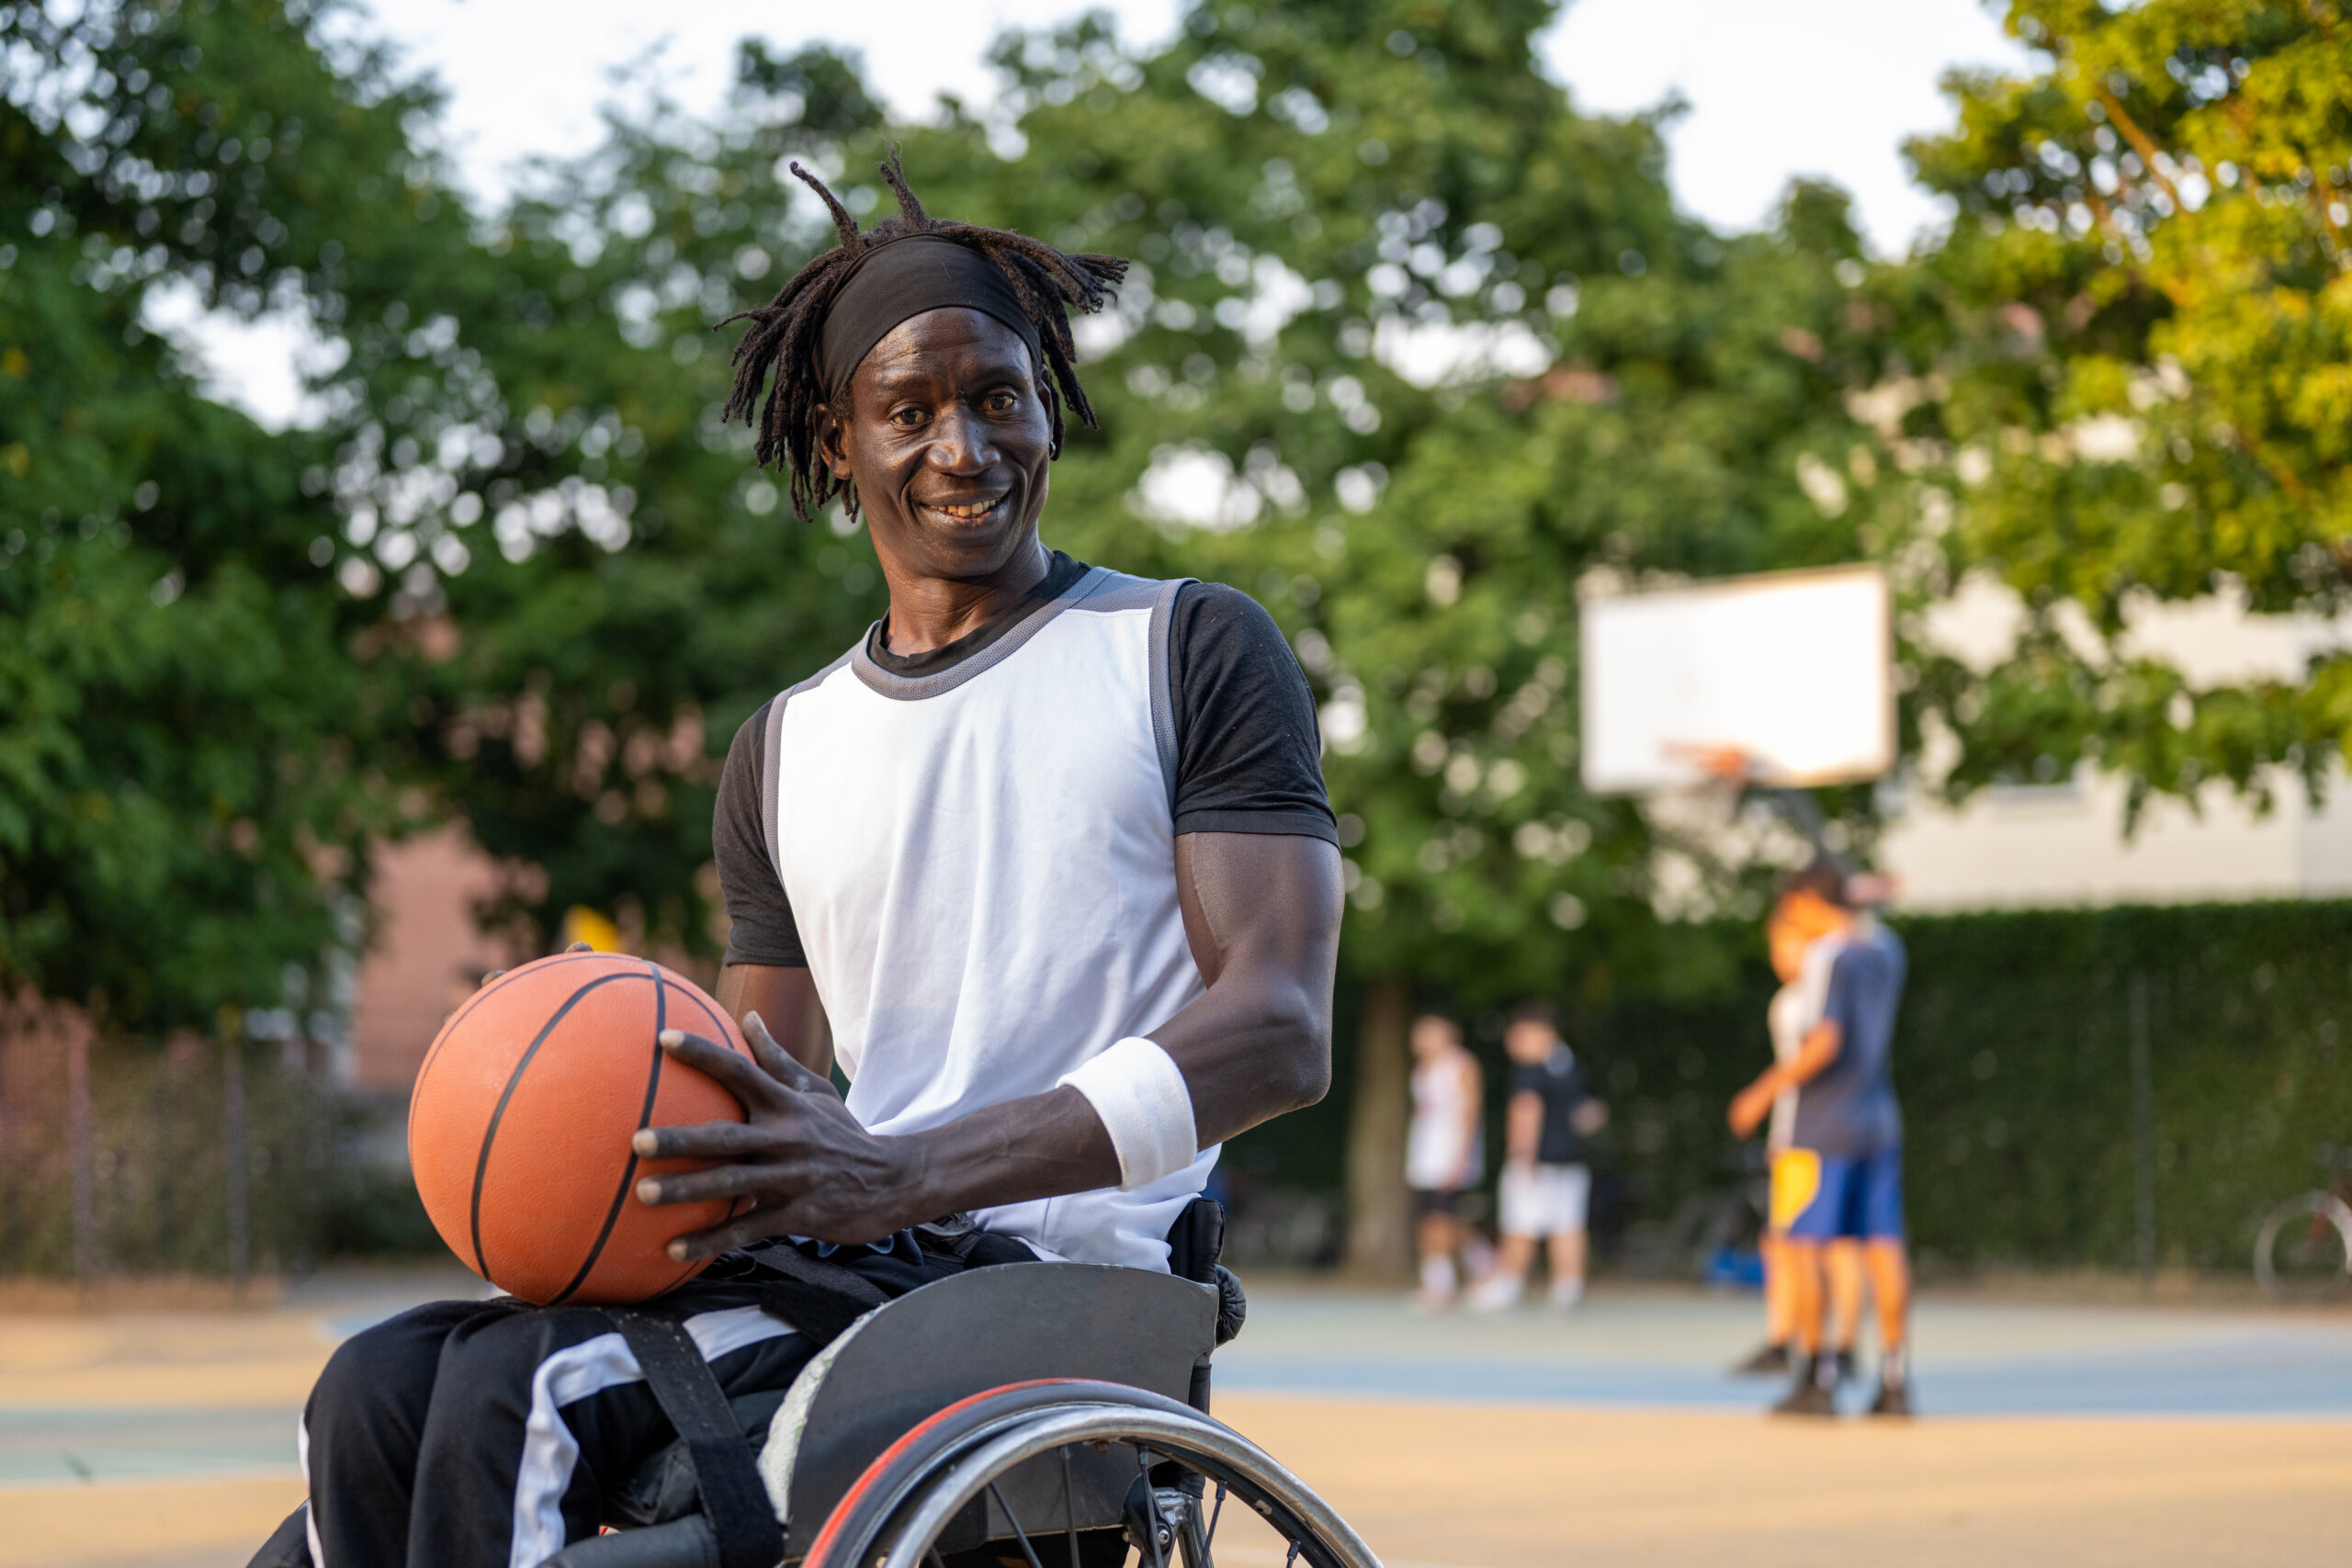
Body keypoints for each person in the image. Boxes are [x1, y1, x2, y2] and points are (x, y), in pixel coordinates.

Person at [252, 154, 1344, 1568]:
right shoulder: (784, 745)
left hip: (1057, 1288)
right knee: (377, 1391)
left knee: (518, 1410)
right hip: (851, 1264)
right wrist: (561, 1166)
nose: (967, 446)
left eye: (1000, 396)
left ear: (1046, 408)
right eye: (911, 411)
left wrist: (902, 1170)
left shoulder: (1186, 645)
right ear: (838, 443)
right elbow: (750, 1098)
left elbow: (1281, 1027)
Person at [1729, 860, 1913, 1417]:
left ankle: (1817, 1377)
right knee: (1880, 1246)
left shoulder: (1828, 957)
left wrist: (1762, 1091)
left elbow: (1825, 1041)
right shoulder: (1885, 951)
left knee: (1804, 1248)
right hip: (1877, 1116)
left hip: (1821, 1125)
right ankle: (1894, 1378)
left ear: (1811, 901)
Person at [1730, 894, 1843, 1373]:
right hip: (1802, 1134)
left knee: (1801, 1241)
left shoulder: (1813, 1000)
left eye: (1788, 944)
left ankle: (1798, 1342)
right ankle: (1817, 1340)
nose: (1780, 956)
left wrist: (1760, 1095)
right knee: (1796, 1242)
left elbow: (1810, 1063)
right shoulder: (1794, 1000)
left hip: (1812, 1135)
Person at [1472, 1002, 1606, 1310]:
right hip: (1571, 1160)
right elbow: (1591, 1113)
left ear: (1542, 1032)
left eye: (1519, 1036)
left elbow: (1526, 1112)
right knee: (1568, 1225)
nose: (1513, 1044)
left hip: (1536, 1161)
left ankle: (1507, 1286)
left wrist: (1522, 1157)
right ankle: (1567, 1289)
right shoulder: (1570, 1065)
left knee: (1520, 1223)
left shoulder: (1530, 1070)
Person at [1404, 1011, 1483, 1309]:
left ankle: (1454, 1279)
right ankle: (1439, 1281)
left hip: (1451, 1154)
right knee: (1430, 1219)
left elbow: (1470, 1111)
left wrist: (1461, 1156)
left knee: (1443, 1219)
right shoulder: (1421, 1069)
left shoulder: (1461, 1065)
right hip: (1425, 1154)